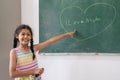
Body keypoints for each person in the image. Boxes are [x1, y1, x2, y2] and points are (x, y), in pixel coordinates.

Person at [9, 24, 75, 80]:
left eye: (28, 34)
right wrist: (34, 71)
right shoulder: (14, 52)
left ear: (31, 37)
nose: (26, 36)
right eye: (23, 34)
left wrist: (67, 34)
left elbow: (51, 41)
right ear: (17, 36)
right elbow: (12, 74)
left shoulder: (33, 48)